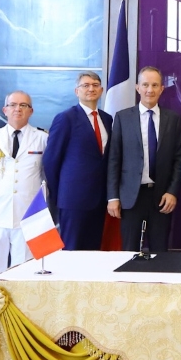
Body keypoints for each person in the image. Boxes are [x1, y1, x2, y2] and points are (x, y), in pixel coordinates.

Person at [107, 66, 181, 251]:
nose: (150, 90)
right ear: (137, 87)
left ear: (162, 89)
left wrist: (173, 191)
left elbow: (179, 158)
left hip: (162, 197)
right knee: (128, 251)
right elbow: (114, 159)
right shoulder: (122, 118)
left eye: (154, 85)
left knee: (160, 251)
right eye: (145, 85)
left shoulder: (173, 119)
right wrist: (113, 197)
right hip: (130, 196)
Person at [0, 90, 48, 277]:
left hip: (28, 213)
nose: (18, 109)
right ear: (5, 110)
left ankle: (22, 307)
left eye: (23, 105)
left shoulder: (43, 138)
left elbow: (46, 175)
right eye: (13, 105)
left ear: (31, 111)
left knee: (25, 269)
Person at [42, 72, 113, 251]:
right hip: (72, 199)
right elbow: (51, 160)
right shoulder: (66, 118)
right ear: (77, 91)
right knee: (71, 251)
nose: (91, 89)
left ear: (102, 90)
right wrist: (60, 193)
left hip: (99, 199)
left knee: (93, 251)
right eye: (86, 85)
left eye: (96, 85)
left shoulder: (107, 119)